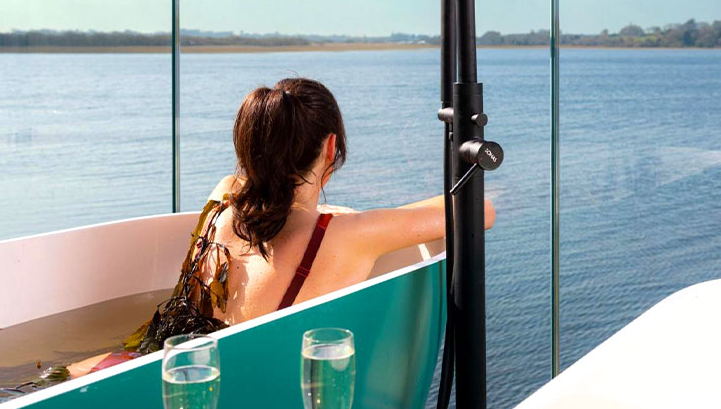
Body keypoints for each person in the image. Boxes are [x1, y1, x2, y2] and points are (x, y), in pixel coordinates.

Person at [65, 77, 495, 378]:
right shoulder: (347, 236)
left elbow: (255, 189)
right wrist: (352, 217)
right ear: (331, 147)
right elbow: (478, 209)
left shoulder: (220, 202)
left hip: (162, 370)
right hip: (237, 396)